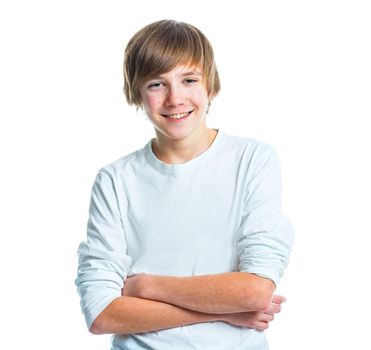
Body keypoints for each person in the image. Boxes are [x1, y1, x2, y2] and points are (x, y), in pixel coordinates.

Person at [75, 19, 294, 349]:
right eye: (156, 85)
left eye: (189, 80)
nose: (175, 98)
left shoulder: (253, 160)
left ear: (211, 86)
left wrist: (146, 286)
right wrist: (221, 312)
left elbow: (254, 291)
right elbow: (102, 313)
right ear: (136, 93)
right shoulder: (115, 181)